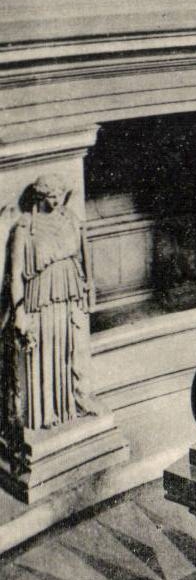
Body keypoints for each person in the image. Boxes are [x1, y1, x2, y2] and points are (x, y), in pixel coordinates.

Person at [2, 177, 95, 435]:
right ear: (39, 197)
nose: (56, 202)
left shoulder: (69, 219)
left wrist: (87, 287)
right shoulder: (25, 226)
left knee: (66, 349)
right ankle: (43, 412)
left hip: (66, 294)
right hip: (40, 298)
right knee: (41, 353)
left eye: (60, 196)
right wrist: (19, 310)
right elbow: (16, 273)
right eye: (51, 197)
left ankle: (66, 406)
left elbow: (82, 257)